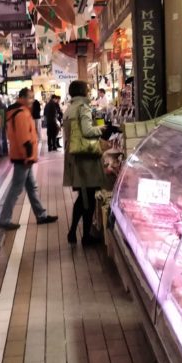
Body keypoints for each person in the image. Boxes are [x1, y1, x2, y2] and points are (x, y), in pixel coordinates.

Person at [0, 88, 57, 230]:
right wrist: (28, 156)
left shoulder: (17, 112)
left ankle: (41, 215)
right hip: (23, 157)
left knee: (31, 187)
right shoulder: (21, 114)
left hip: (21, 156)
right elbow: (24, 138)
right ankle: (4, 219)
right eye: (29, 98)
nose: (32, 101)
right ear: (22, 98)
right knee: (16, 189)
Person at [63, 80, 109, 246]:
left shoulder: (69, 109)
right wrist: (102, 129)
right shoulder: (83, 107)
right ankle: (84, 236)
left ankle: (73, 232)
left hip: (74, 156)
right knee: (87, 197)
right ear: (83, 91)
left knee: (83, 197)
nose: (89, 92)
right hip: (86, 157)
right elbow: (88, 131)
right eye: (87, 89)